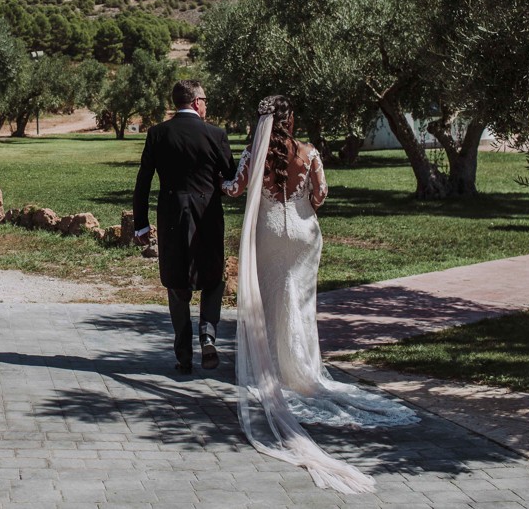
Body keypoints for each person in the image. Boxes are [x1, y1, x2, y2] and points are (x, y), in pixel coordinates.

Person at [223, 95, 418, 494]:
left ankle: (274, 368)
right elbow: (321, 194)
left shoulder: (253, 153)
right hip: (303, 233)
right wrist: (303, 203)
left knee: (273, 300)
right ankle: (304, 368)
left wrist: (214, 178)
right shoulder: (309, 152)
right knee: (300, 301)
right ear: (291, 119)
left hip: (268, 234)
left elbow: (233, 189)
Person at [132, 79, 235, 373]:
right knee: (214, 277)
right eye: (205, 100)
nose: (206, 105)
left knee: (177, 284)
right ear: (197, 102)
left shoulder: (158, 134)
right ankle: (208, 334)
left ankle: (184, 355)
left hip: (172, 215)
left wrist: (141, 224)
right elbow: (230, 175)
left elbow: (143, 181)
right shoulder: (216, 134)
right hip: (208, 215)